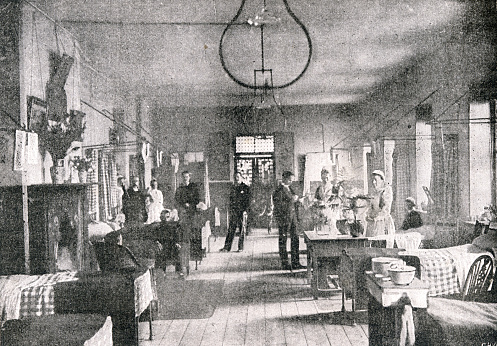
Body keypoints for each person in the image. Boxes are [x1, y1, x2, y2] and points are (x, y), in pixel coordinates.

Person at [272, 171, 305, 270]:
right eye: (290, 180)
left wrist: (299, 200)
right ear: (284, 179)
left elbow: (293, 200)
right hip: (284, 218)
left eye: (292, 180)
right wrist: (292, 200)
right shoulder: (278, 190)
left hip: (293, 217)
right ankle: (285, 263)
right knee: (283, 240)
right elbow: (279, 206)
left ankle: (296, 262)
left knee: (295, 239)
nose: (291, 182)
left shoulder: (290, 188)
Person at [174, 171, 201, 272]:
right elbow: (176, 201)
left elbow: (197, 199)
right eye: (184, 177)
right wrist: (181, 206)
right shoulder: (180, 189)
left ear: (189, 177)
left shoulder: (194, 187)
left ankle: (191, 254)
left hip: (192, 212)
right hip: (182, 213)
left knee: (192, 233)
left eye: (187, 177)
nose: (185, 178)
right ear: (182, 178)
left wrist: (191, 205)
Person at [220, 171, 251, 252]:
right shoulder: (232, 187)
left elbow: (248, 201)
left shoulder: (245, 187)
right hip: (234, 211)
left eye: (238, 176)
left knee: (241, 230)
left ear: (241, 177)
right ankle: (227, 247)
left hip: (242, 211)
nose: (236, 178)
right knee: (231, 229)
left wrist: (245, 211)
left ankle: (240, 247)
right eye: (235, 177)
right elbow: (230, 200)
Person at [312, 167, 341, 235]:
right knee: (320, 226)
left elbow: (337, 200)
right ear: (321, 177)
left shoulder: (334, 188)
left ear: (330, 177)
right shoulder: (319, 188)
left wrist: (329, 203)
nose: (325, 180)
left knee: (331, 224)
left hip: (332, 210)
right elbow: (316, 198)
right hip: (321, 210)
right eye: (324, 178)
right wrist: (317, 201)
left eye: (327, 178)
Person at [156, 209, 185, 277]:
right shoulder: (158, 227)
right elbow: (156, 237)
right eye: (164, 217)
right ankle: (162, 271)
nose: (165, 219)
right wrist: (157, 243)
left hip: (171, 245)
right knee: (161, 253)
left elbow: (176, 236)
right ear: (161, 218)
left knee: (177, 252)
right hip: (162, 245)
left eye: (167, 217)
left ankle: (179, 271)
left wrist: (177, 243)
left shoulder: (173, 226)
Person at [366, 170, 395, 237]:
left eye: (376, 180)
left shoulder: (386, 191)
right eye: (372, 180)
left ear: (382, 180)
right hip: (372, 223)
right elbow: (371, 207)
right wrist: (368, 215)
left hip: (383, 222)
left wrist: (377, 218)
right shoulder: (373, 193)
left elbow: (386, 208)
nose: (373, 182)